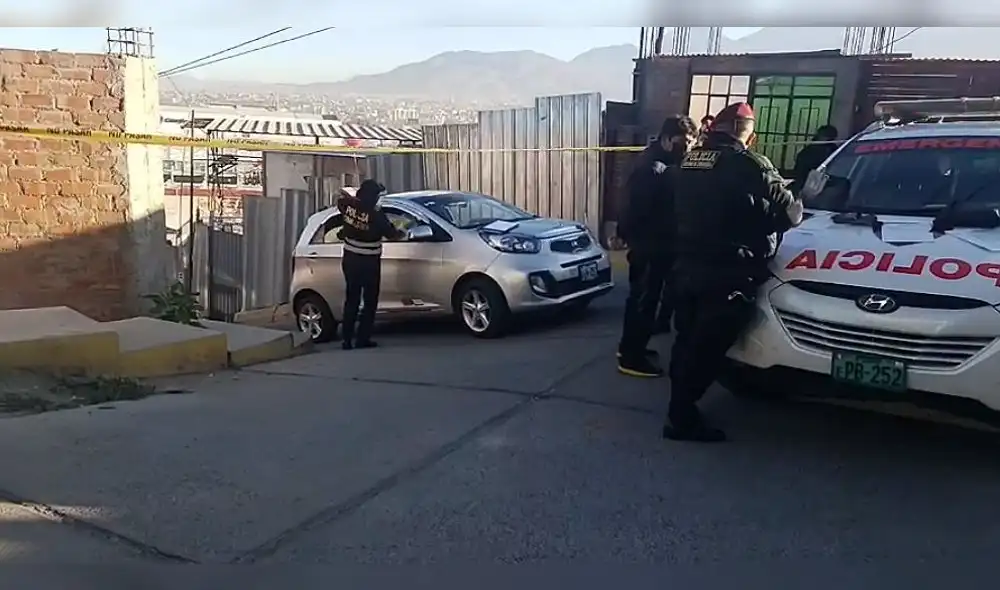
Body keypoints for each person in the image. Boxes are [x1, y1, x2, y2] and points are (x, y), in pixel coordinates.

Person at [667, 102, 803, 442]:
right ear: (750, 136)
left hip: (686, 263)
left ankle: (678, 405)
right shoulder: (750, 164)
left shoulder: (690, 160)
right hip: (728, 268)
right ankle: (682, 417)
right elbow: (791, 214)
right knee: (709, 347)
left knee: (686, 340)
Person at [616, 115, 698, 378]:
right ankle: (632, 357)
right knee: (644, 301)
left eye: (691, 141)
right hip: (650, 246)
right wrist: (629, 237)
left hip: (653, 244)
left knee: (641, 299)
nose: (687, 147)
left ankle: (630, 348)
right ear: (666, 139)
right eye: (683, 141)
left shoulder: (659, 163)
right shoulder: (653, 168)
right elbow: (634, 208)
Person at [336, 179, 404, 350]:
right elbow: (392, 234)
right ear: (372, 197)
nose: (381, 200)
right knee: (369, 301)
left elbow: (341, 202)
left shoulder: (349, 207)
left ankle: (346, 339)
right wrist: (402, 233)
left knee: (351, 300)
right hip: (368, 262)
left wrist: (354, 199)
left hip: (350, 259)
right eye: (379, 196)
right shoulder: (376, 215)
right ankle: (362, 339)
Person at [792, 124, 839, 190]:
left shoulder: (833, 149)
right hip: (807, 181)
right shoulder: (811, 149)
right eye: (824, 135)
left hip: (822, 182)